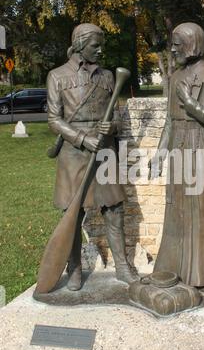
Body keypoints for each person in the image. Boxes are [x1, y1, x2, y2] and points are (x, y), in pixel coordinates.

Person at [47, 23, 138, 291]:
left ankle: (122, 266)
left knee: (115, 208)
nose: (100, 51)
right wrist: (83, 139)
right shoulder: (57, 76)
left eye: (101, 46)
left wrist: (114, 127)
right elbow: (54, 119)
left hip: (105, 151)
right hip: (74, 152)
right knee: (73, 214)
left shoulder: (108, 76)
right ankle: (74, 268)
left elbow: (119, 116)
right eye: (94, 46)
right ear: (78, 46)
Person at [151, 22, 204, 289]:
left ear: (191, 43)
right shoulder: (175, 78)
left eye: (176, 44)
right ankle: (173, 269)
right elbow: (170, 122)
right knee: (178, 212)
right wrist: (160, 154)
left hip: (202, 149)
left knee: (203, 212)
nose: (172, 50)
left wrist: (191, 104)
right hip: (178, 148)